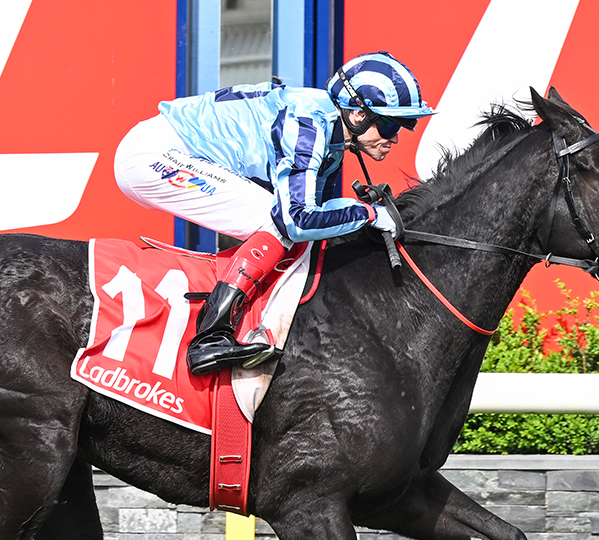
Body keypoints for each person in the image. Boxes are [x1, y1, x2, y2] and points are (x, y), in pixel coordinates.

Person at [114, 51, 434, 376]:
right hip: (152, 155)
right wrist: (368, 214)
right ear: (356, 114)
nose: (395, 137)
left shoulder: (332, 135)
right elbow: (298, 220)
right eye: (390, 123)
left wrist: (360, 217)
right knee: (278, 222)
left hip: (168, 151)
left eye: (403, 126)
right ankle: (210, 337)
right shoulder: (310, 123)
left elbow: (316, 229)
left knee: (294, 235)